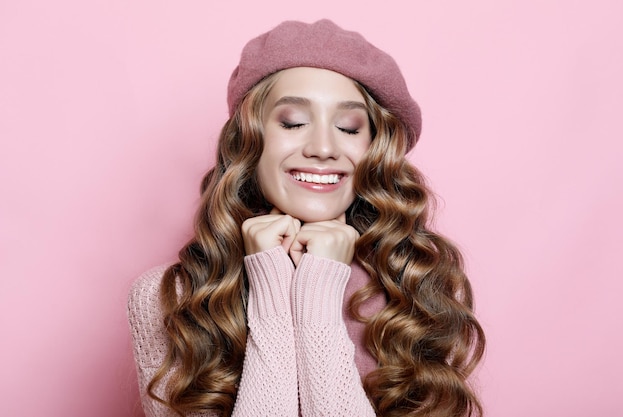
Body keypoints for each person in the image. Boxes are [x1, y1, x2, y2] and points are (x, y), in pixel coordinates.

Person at [128, 19, 485, 417]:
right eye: (293, 122)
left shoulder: (420, 290)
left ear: (373, 149)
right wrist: (270, 285)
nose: (322, 147)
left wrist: (317, 296)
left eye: (348, 128)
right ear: (250, 139)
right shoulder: (170, 299)